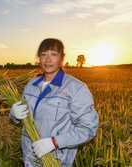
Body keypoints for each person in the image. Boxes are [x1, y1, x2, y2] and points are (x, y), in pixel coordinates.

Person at [10, 38, 99, 167]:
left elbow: (88, 129)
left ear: (62, 58)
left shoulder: (76, 88)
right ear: (38, 58)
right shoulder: (31, 85)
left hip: (57, 159)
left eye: (53, 54)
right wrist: (14, 115)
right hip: (29, 157)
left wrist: (55, 142)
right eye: (43, 54)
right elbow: (23, 118)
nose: (48, 60)